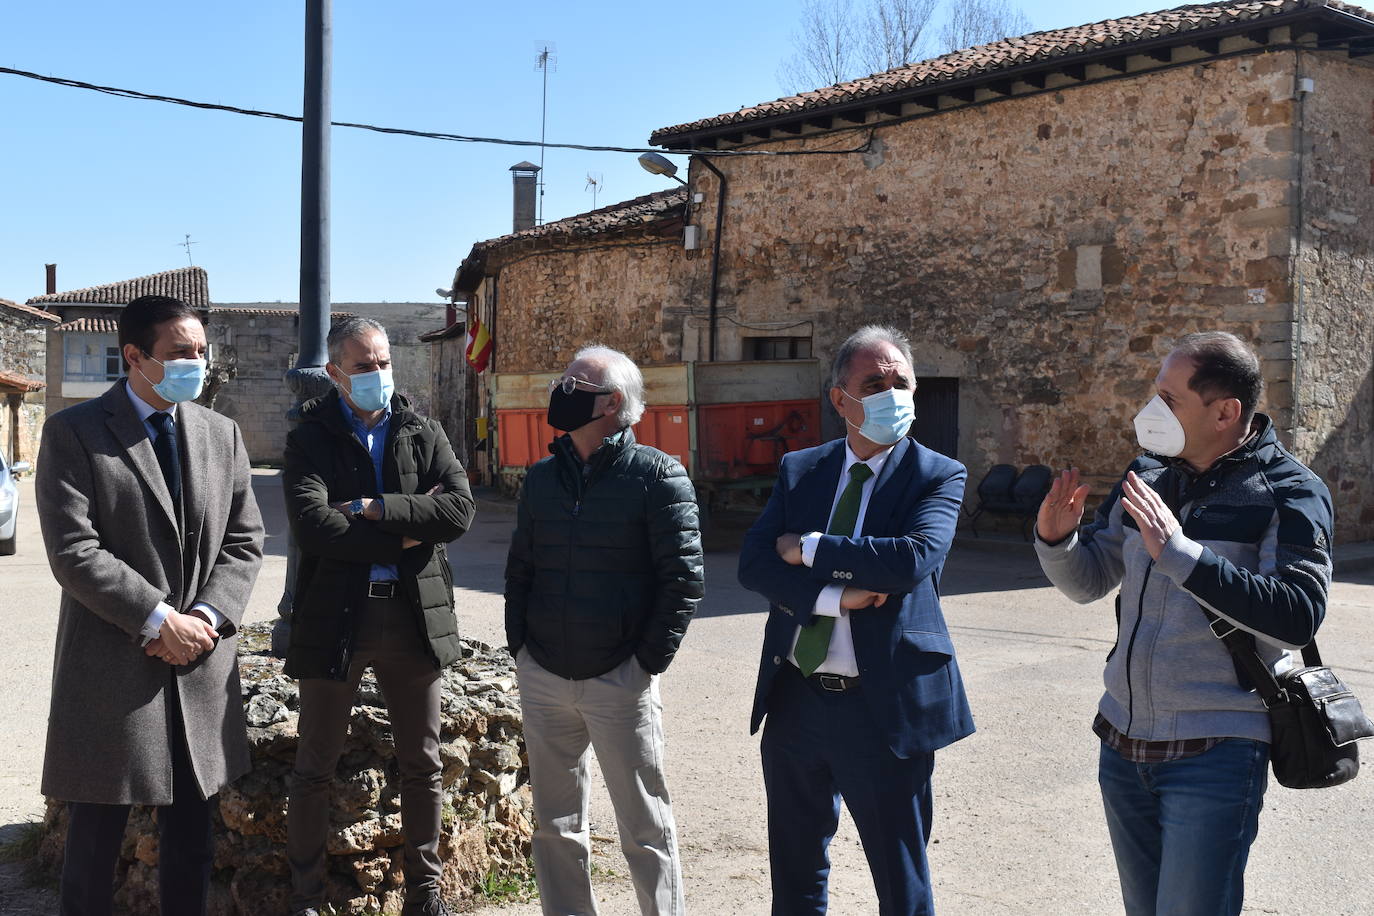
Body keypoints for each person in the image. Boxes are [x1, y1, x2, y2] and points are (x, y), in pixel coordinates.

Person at [1034, 331, 1334, 916]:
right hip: (1123, 743)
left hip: (1216, 752)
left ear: (1225, 412)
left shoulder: (1291, 492)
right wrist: (1056, 538)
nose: (1151, 411)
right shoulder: (1148, 473)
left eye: (1169, 399)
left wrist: (1180, 552)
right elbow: (1090, 579)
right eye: (1156, 393)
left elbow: (1295, 617)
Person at [36, 294, 264, 916]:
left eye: (201, 351)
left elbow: (245, 540)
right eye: (180, 353)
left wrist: (209, 619)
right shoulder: (74, 433)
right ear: (134, 357)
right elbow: (74, 551)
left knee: (192, 843)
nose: (198, 362)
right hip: (114, 662)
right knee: (95, 842)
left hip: (200, 665)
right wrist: (161, 619)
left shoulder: (221, 434)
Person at [738, 325, 973, 916]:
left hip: (883, 708)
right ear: (840, 400)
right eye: (875, 383)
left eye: (903, 383)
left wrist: (812, 547)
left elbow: (911, 560)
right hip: (798, 699)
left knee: (900, 876)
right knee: (795, 869)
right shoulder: (802, 469)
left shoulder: (937, 474)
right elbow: (755, 564)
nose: (892, 394)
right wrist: (830, 599)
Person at [283, 317, 475, 916]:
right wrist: (404, 537)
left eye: (384, 361)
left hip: (413, 619)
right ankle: (306, 898)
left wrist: (373, 508)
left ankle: (425, 895)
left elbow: (459, 511)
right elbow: (315, 526)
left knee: (423, 763)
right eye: (364, 365)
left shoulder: (423, 429)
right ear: (336, 373)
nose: (378, 373)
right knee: (315, 765)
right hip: (336, 618)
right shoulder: (309, 436)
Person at [504, 345, 703, 916]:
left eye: (576, 382)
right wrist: (523, 648)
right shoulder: (542, 478)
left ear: (612, 401)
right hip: (544, 673)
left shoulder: (658, 477)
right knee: (555, 825)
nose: (561, 390)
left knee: (644, 824)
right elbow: (521, 568)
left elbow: (683, 582)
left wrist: (642, 664)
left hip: (620, 678)